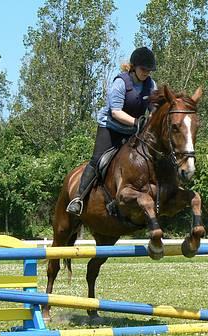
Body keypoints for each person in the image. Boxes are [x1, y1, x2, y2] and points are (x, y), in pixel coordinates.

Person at [66, 47, 157, 215]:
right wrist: (138, 122)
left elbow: (153, 107)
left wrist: (151, 119)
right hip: (111, 127)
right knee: (98, 160)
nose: (146, 73)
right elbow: (115, 112)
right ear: (134, 67)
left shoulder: (150, 84)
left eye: (149, 70)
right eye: (143, 69)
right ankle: (78, 199)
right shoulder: (121, 82)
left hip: (133, 131)